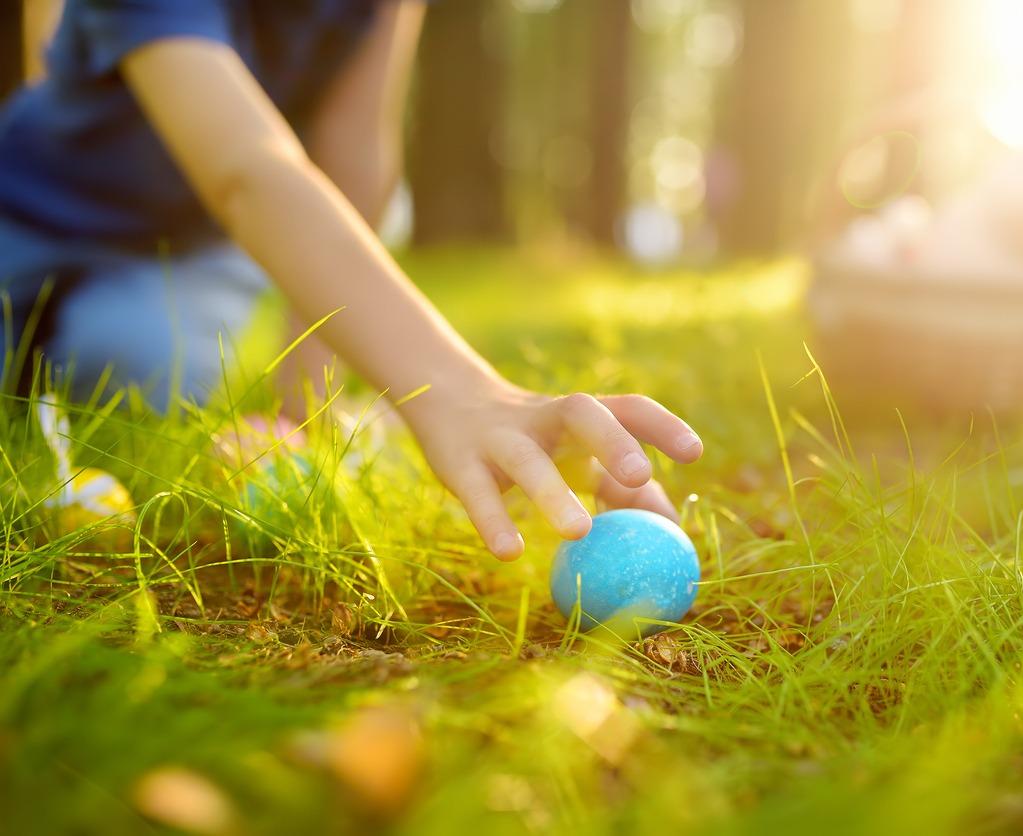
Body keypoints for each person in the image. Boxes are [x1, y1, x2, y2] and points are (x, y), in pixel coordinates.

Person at [0, 0, 703, 560]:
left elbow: (354, 151)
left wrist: (308, 402)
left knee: (140, 371)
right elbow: (247, 169)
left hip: (181, 250)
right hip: (25, 207)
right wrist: (460, 392)